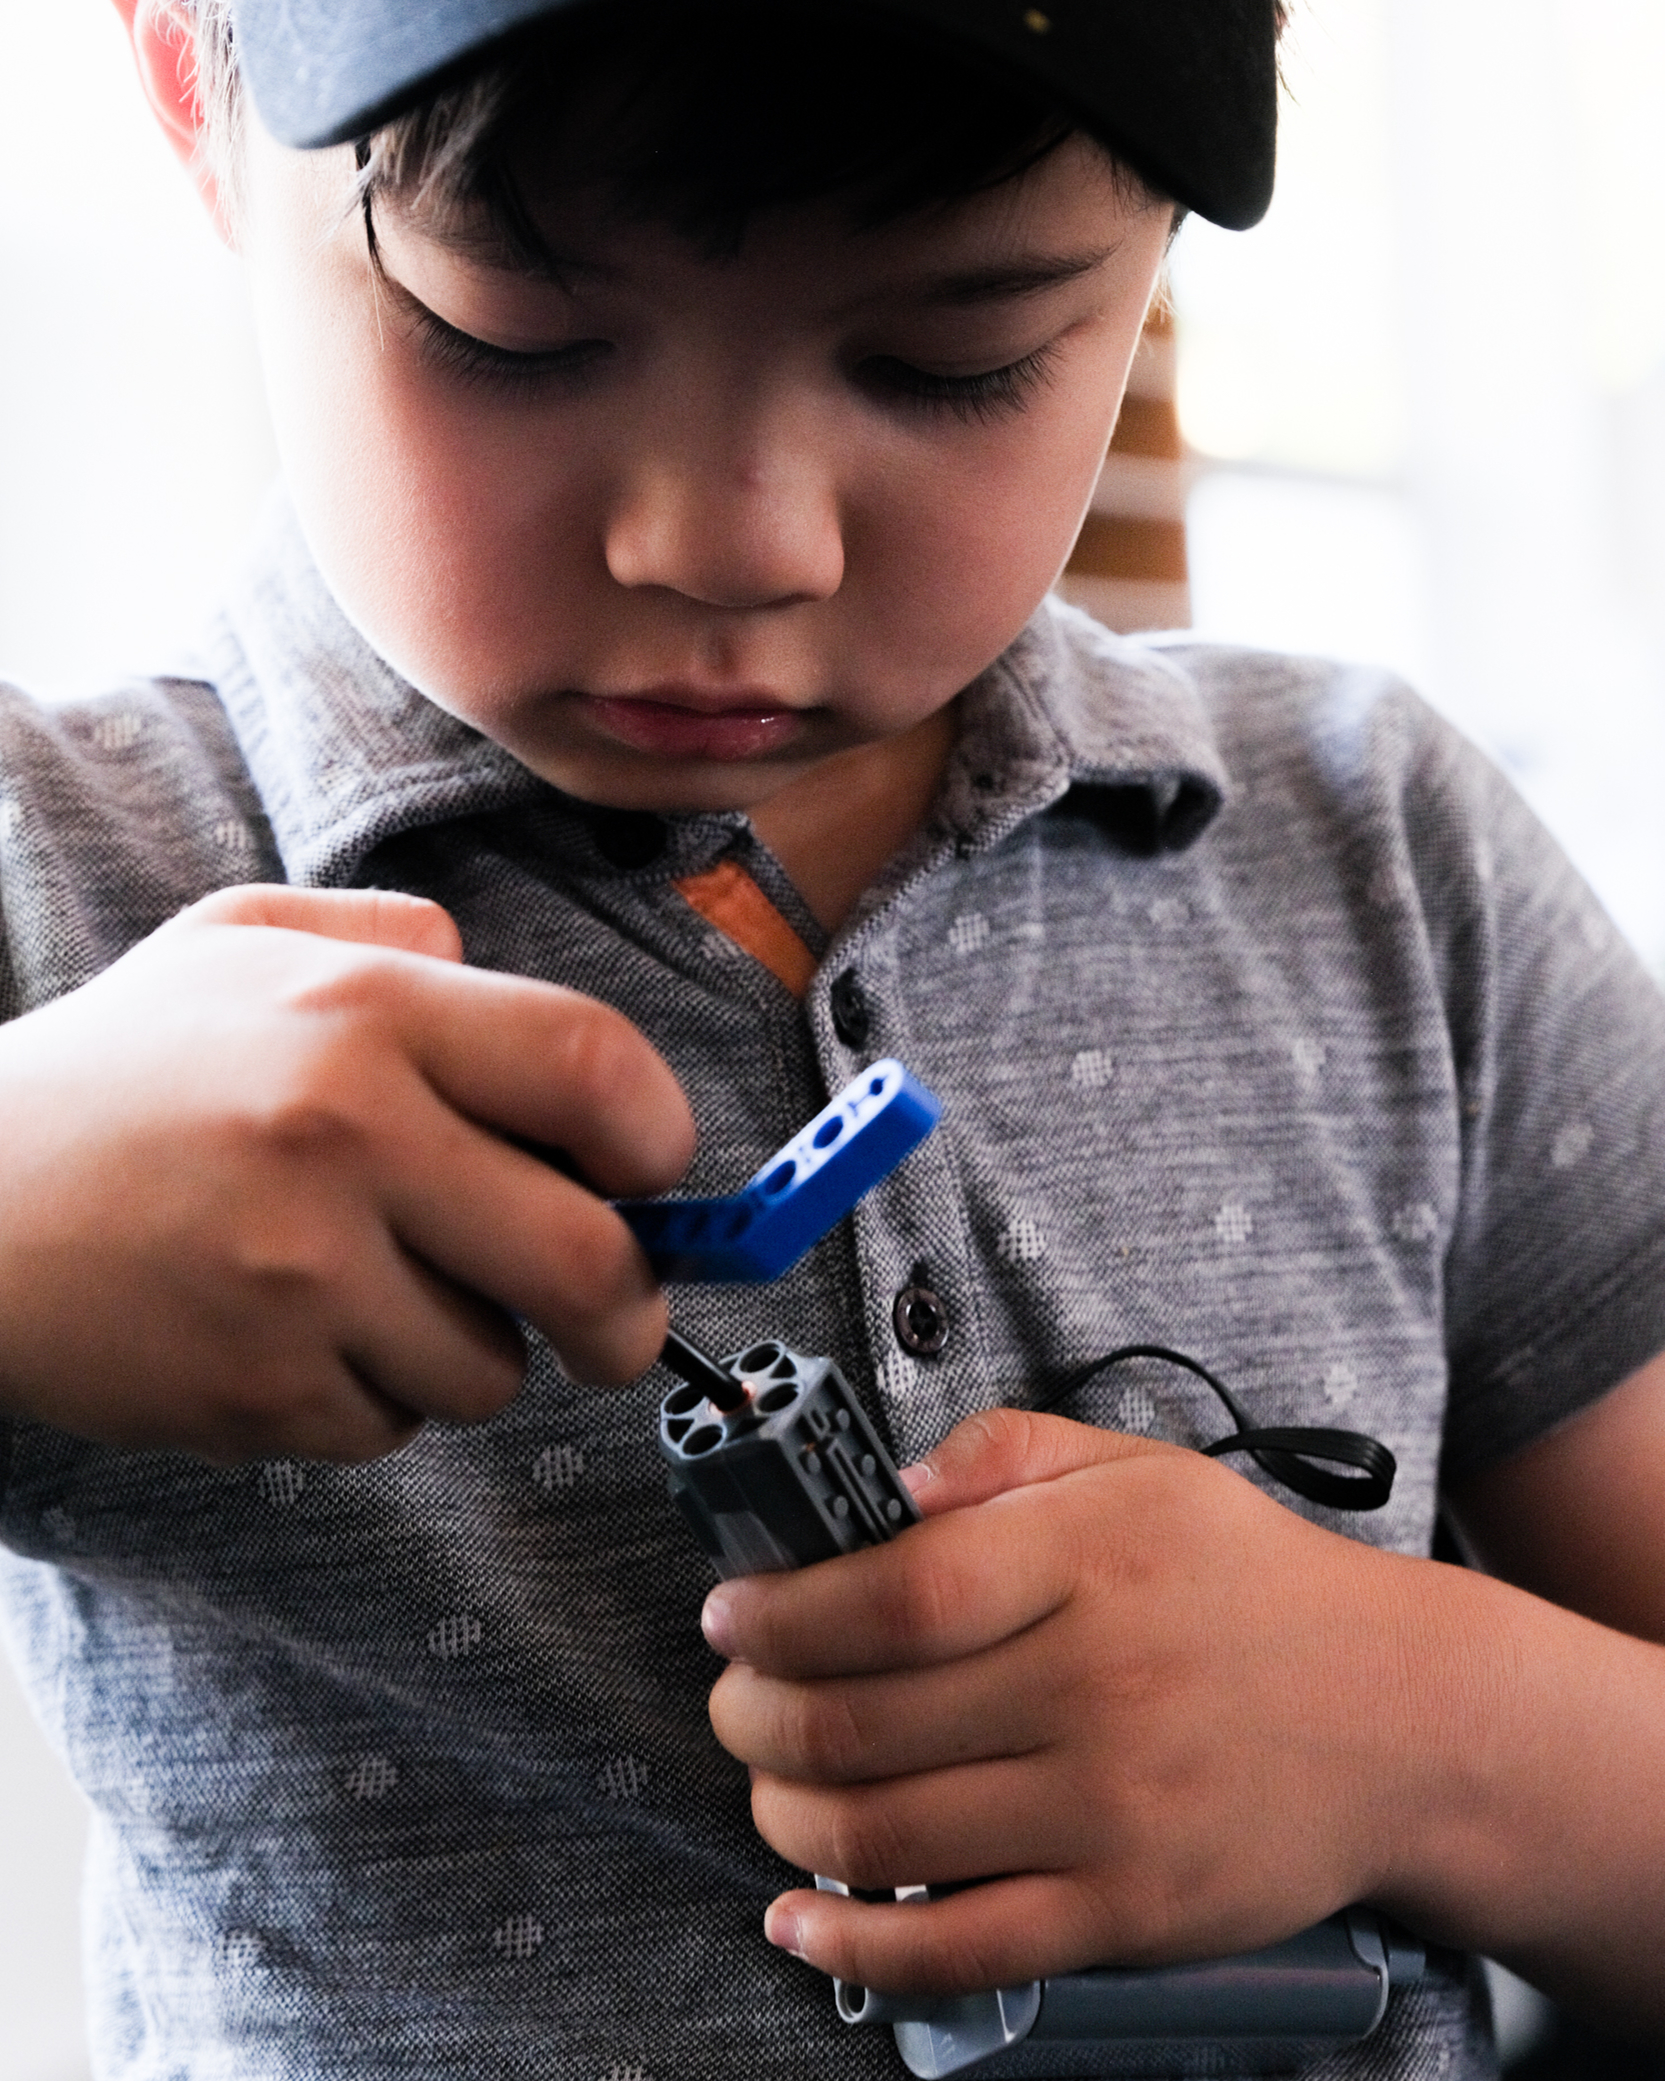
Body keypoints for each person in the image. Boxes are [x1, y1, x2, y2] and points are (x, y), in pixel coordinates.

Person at [0, 1, 1661, 2076]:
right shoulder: (54, 888)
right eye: (512, 328)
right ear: (186, 86)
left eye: (949, 358)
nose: (731, 542)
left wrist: (1446, 1739)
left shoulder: (1384, 861)